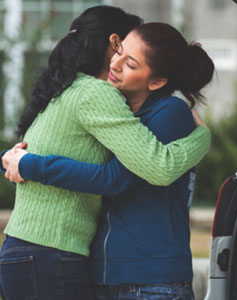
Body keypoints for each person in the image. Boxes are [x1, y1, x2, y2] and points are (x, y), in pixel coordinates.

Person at [0, 6, 211, 300]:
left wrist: (26, 164)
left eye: (132, 64)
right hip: (68, 258)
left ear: (157, 81)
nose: (116, 63)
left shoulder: (167, 111)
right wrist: (19, 161)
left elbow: (119, 177)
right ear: (112, 43)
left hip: (144, 277)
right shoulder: (100, 97)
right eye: (119, 51)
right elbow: (68, 148)